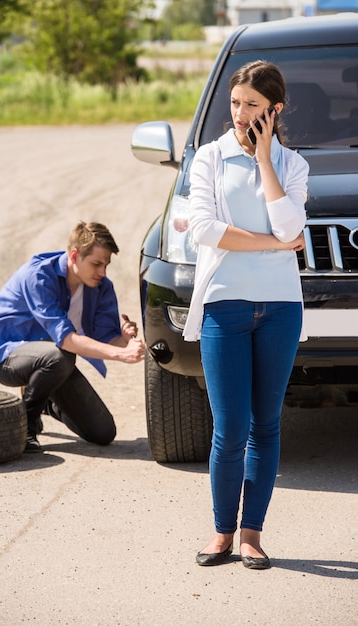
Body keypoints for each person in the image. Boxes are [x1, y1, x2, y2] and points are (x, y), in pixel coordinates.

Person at [183, 61, 309, 569]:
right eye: (235, 103)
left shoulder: (293, 165)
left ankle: (251, 535)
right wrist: (274, 246)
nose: (240, 114)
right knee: (229, 426)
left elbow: (290, 221)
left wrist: (263, 161)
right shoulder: (208, 158)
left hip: (280, 308)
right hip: (224, 303)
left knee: (266, 424)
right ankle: (221, 532)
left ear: (274, 110)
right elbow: (203, 229)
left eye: (253, 106)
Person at [0, 221, 145, 452]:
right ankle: (25, 426)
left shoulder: (101, 286)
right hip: (6, 355)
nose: (103, 272)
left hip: (52, 359)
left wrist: (126, 340)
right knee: (62, 356)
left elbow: (106, 337)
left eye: (106, 265)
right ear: (74, 255)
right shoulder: (39, 276)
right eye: (97, 264)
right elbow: (67, 340)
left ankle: (44, 401)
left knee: (103, 432)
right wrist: (121, 354)